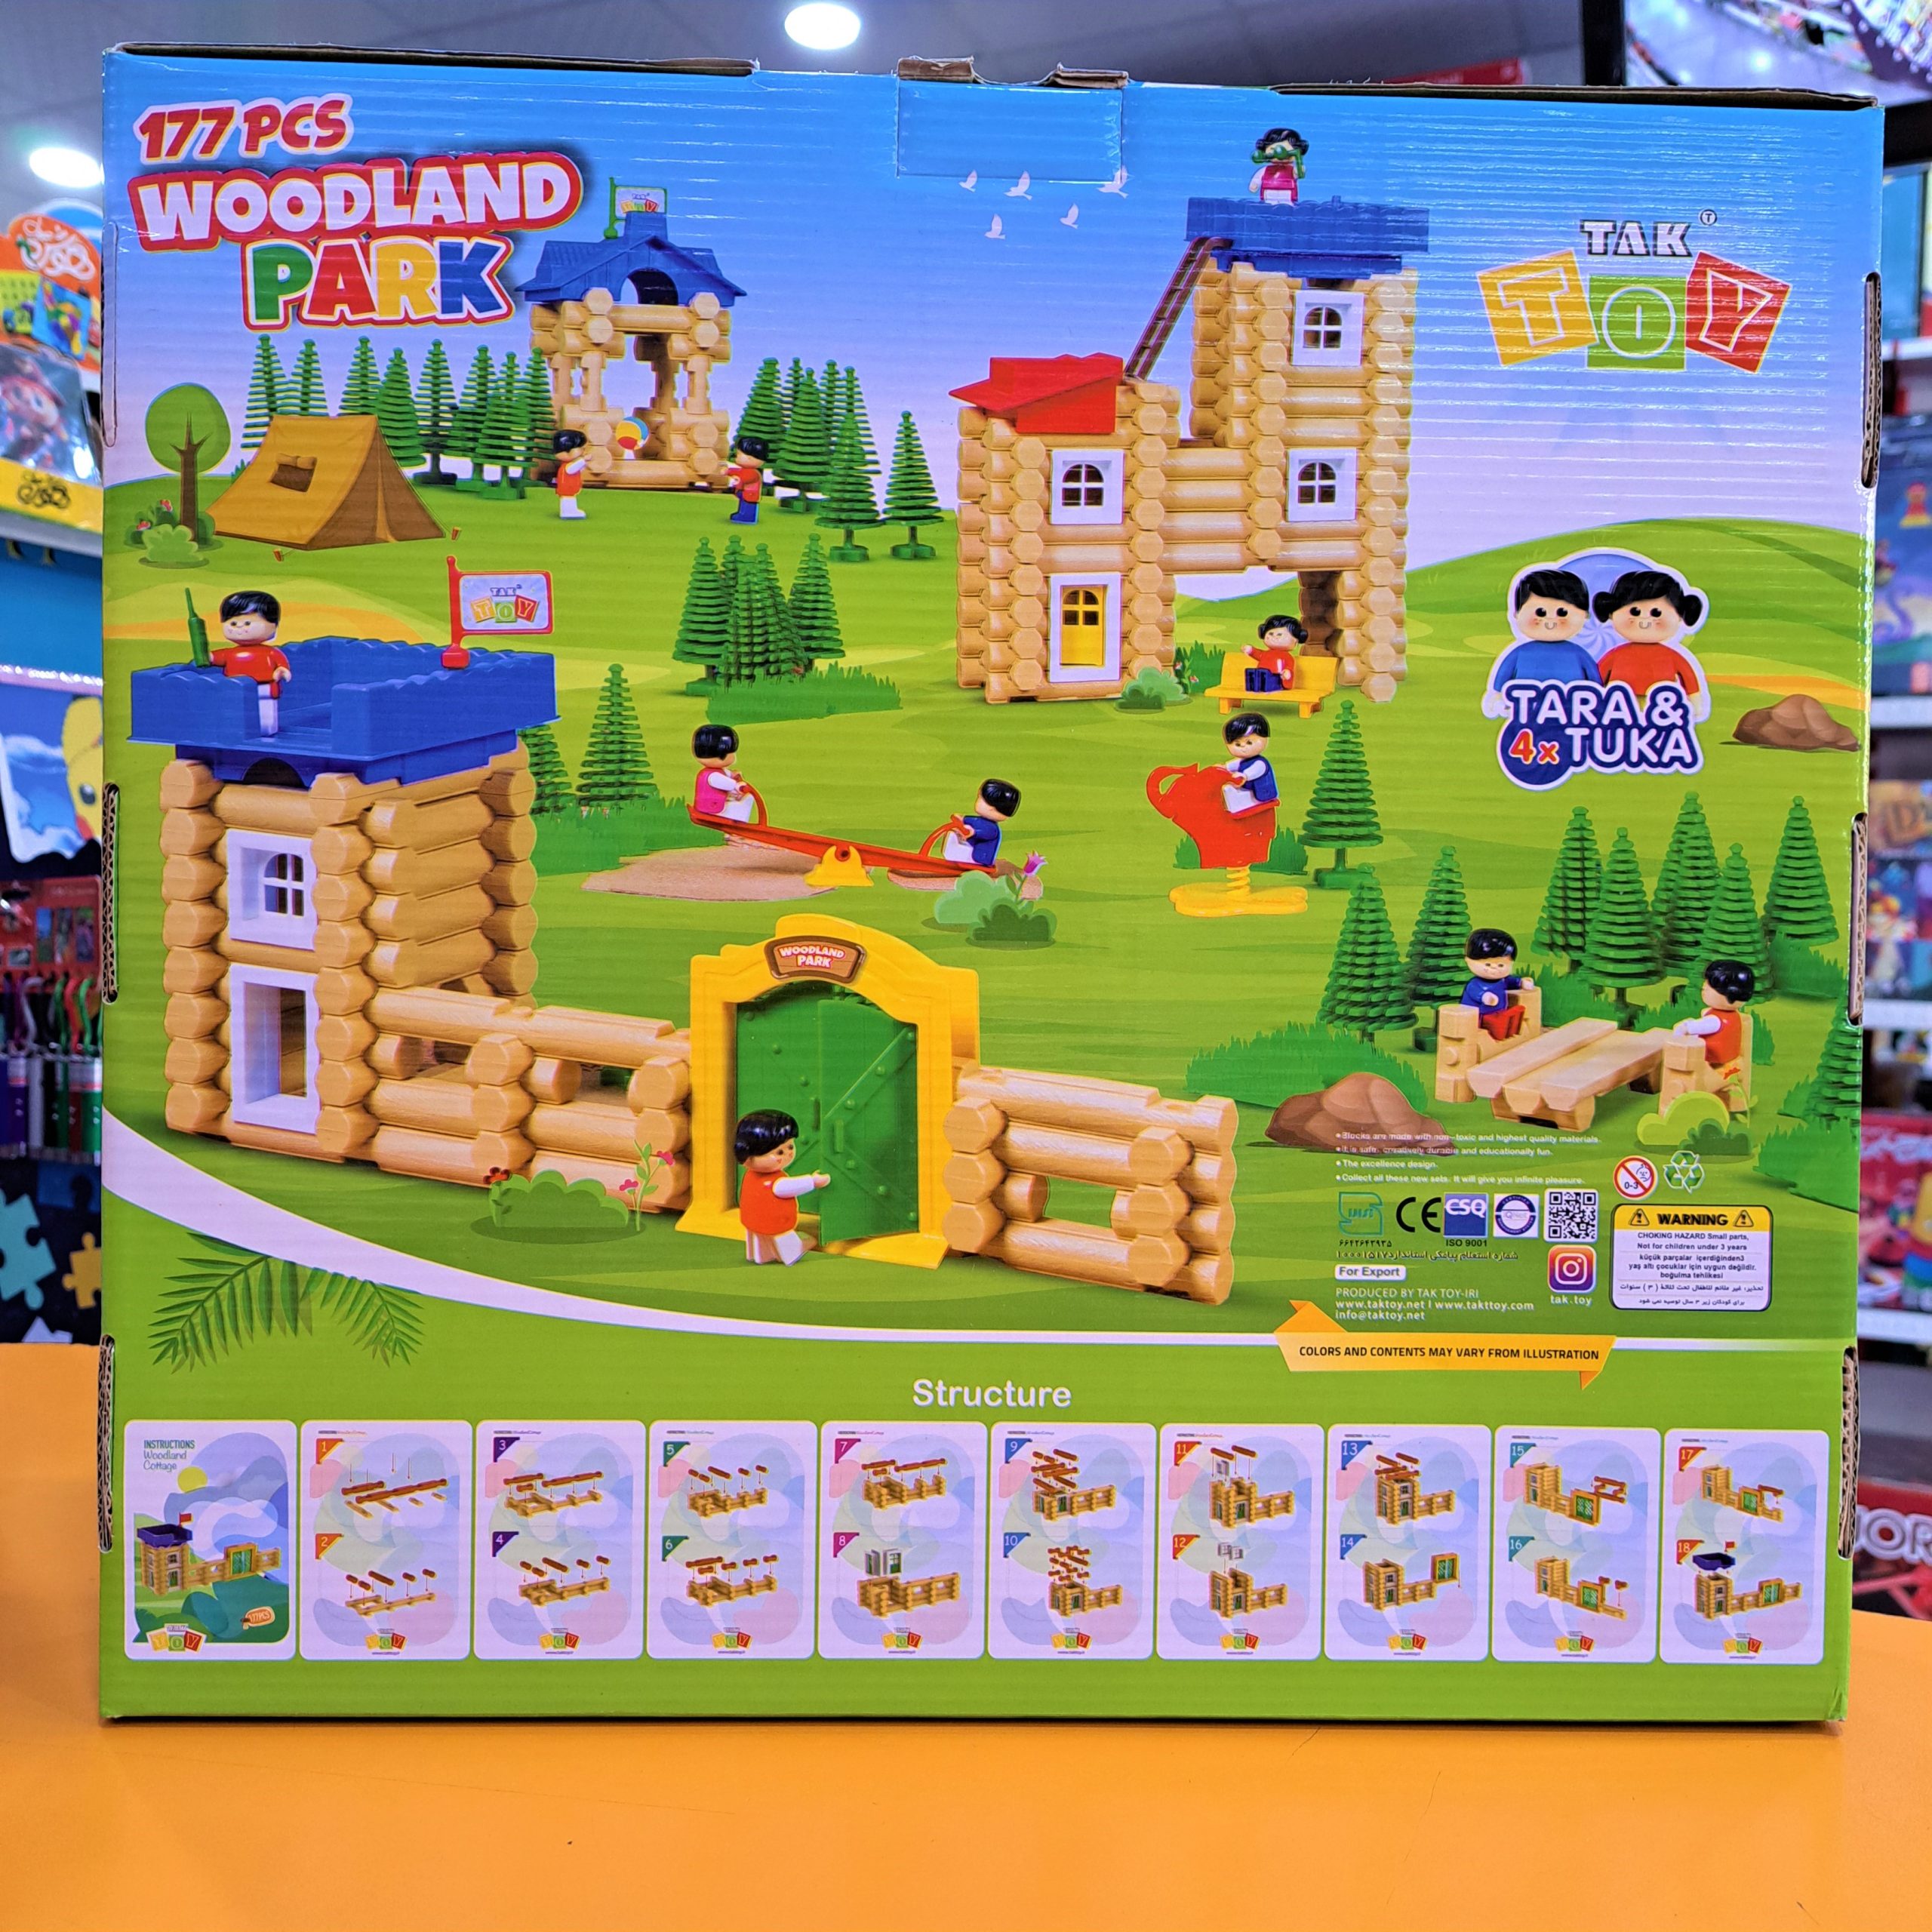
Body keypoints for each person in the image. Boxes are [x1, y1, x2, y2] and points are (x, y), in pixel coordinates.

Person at [734, 1109, 829, 1266]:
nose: (788, 1154)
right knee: (785, 1240)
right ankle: (794, 1252)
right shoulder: (776, 1183)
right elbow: (793, 1186)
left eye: (790, 1146)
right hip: (776, 1224)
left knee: (761, 1239)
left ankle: (762, 1256)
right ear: (748, 1157)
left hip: (753, 1223)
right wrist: (814, 1181)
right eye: (779, 1152)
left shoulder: (750, 1176)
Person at [1593, 569, 1705, 702]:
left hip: (1661, 704)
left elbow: (1689, 679)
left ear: (1680, 615)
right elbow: (1596, 680)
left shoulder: (1672, 656)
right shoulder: (1615, 655)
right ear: (1611, 613)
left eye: (1656, 613)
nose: (1645, 619)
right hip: (1619, 704)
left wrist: (1696, 702)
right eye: (1635, 611)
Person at [1489, 568, 1601, 688]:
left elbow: (1598, 686)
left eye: (1562, 612)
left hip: (1571, 699)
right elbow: (1499, 686)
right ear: (1517, 613)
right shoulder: (1520, 653)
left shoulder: (1579, 654)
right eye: (1541, 612)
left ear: (1585, 615)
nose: (1550, 620)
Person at [211, 589, 290, 737]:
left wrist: (282, 671)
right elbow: (214, 658)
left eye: (247, 623)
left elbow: (281, 664)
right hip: (236, 688)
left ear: (273, 625)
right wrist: (206, 656)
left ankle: (267, 730)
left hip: (264, 687)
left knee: (265, 710)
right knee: (238, 711)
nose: (240, 627)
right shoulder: (229, 653)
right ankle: (238, 730)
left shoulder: (270, 652)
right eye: (233, 623)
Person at [1672, 958, 1754, 1081]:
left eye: (1710, 985)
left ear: (1730, 994)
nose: (1704, 987)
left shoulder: (1715, 1020)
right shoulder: (1733, 1016)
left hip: (1714, 1064)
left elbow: (1689, 1028)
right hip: (1728, 1059)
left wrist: (1679, 1031)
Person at [1460, 927, 1533, 1041]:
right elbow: (1476, 993)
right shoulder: (1474, 984)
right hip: (1479, 1016)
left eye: (1501, 965)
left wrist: (1522, 982)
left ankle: (1505, 1035)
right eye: (1488, 965)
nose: (1494, 969)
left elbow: (1512, 982)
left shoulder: (1503, 980)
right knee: (1481, 1028)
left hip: (1498, 1013)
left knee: (1508, 1021)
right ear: (1469, 961)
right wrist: (1485, 997)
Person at [943, 779, 1020, 868]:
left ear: (991, 808)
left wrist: (973, 832)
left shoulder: (992, 829)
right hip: (973, 849)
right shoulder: (982, 821)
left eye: (979, 797)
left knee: (953, 844)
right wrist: (962, 819)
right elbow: (973, 821)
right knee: (953, 835)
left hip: (979, 858)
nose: (977, 800)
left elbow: (985, 833)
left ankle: (952, 856)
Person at [691, 724, 757, 823]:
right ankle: (740, 820)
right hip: (713, 808)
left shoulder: (711, 772)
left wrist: (733, 775)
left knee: (738, 798)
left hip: (713, 804)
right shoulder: (713, 776)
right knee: (748, 798)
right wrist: (737, 786)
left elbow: (726, 775)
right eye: (732, 753)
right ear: (722, 754)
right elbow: (726, 783)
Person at [1221, 712, 1276, 817]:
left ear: (1265, 739)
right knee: (1227, 790)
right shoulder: (1243, 761)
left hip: (1261, 794)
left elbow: (1255, 771)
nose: (1243, 747)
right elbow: (1235, 764)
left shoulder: (1260, 763)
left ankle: (1235, 811)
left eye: (1249, 743)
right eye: (1237, 744)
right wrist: (1224, 767)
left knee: (1229, 790)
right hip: (1248, 790)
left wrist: (1245, 775)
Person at [1246, 612, 1305, 692]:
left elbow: (1289, 667)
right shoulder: (1265, 654)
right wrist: (1250, 650)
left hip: (1276, 680)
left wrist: (1287, 673)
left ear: (1296, 641)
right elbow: (1258, 654)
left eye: (1279, 634)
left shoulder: (1287, 657)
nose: (1274, 637)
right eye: (1271, 633)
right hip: (1260, 677)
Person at [1248, 128, 1308, 204]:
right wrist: (1255, 184)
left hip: (1287, 195)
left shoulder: (1292, 170)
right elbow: (1257, 180)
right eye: (1273, 149)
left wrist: (1299, 163)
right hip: (1268, 194)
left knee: (1286, 207)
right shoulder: (1265, 170)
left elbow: (1299, 174)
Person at [725, 434, 768, 525]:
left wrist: (737, 479)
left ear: (749, 458)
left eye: (738, 455)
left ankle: (747, 517)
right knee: (743, 505)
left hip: (750, 495)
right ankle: (742, 515)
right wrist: (728, 471)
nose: (736, 457)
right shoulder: (745, 470)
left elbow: (745, 478)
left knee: (747, 507)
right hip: (746, 494)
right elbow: (738, 472)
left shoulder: (753, 473)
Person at [552, 429, 589, 520]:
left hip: (570, 488)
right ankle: (567, 512)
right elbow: (572, 469)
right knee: (568, 501)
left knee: (570, 500)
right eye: (581, 448)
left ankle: (571, 511)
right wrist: (583, 460)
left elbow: (577, 470)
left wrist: (583, 464)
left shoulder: (567, 465)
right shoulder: (567, 466)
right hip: (567, 488)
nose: (583, 451)